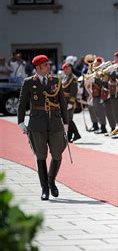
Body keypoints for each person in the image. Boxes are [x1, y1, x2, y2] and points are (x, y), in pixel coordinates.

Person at [17, 55, 68, 200]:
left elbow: (62, 103)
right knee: (41, 156)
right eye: (45, 65)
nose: (48, 67)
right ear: (38, 67)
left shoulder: (56, 81)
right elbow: (22, 104)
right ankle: (44, 188)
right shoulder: (28, 82)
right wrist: (21, 122)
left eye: (48, 64)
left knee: (57, 154)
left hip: (55, 122)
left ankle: (51, 180)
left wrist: (66, 123)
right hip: (37, 123)